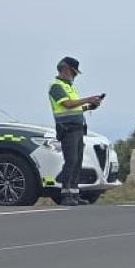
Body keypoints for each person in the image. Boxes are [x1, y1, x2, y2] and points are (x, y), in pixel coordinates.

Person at [48, 56, 104, 206]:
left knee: (77, 162)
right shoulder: (56, 86)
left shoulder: (69, 87)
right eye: (74, 72)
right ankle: (66, 195)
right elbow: (67, 104)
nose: (75, 76)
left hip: (78, 129)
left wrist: (89, 106)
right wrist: (87, 99)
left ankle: (74, 193)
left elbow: (76, 107)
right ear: (65, 69)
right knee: (71, 161)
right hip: (67, 129)